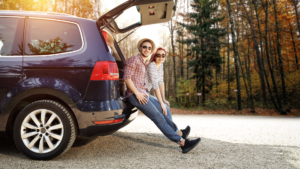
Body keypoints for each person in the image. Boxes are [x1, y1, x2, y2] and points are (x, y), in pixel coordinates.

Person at [124, 38, 201, 153]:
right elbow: (127, 78)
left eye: (149, 48)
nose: (147, 49)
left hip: (144, 93)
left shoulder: (147, 62)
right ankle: (182, 142)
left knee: (164, 108)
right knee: (158, 116)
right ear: (140, 47)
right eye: (144, 47)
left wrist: (162, 100)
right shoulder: (133, 60)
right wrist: (137, 93)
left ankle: (179, 133)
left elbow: (158, 80)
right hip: (134, 95)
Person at [145, 47, 189, 134]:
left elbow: (161, 82)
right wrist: (161, 103)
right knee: (163, 108)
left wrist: (163, 99)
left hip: (146, 93)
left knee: (166, 107)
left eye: (163, 55)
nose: (161, 58)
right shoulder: (151, 66)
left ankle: (176, 131)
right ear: (154, 56)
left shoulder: (161, 65)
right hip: (142, 93)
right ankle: (177, 132)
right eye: (158, 55)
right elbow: (155, 85)